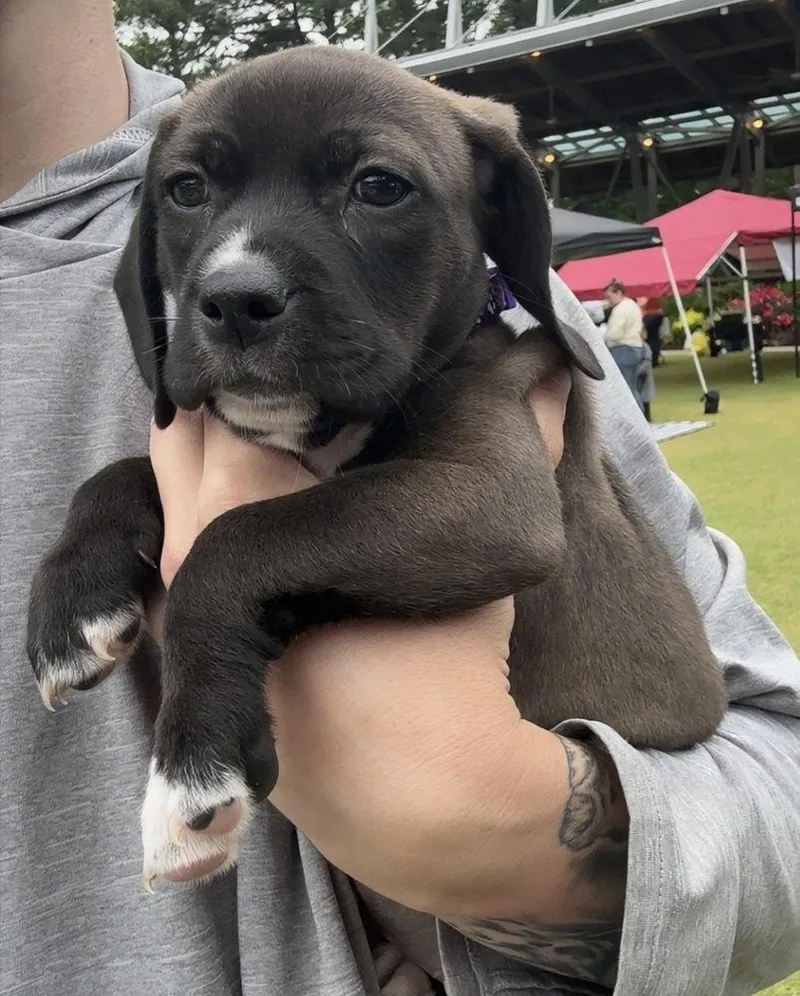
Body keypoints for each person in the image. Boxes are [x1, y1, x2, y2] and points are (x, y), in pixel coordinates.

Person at [2, 3, 799, 995]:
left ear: (497, 229)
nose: (237, 275)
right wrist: (118, 509)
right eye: (194, 193)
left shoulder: (504, 357)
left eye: (376, 187)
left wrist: (485, 830)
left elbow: (498, 516)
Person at [603, 279, 646, 412]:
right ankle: (640, 414)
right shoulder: (633, 305)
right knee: (632, 385)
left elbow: (614, 334)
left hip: (622, 349)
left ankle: (635, 416)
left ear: (619, 293)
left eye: (610, 297)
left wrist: (603, 337)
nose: (608, 301)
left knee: (625, 387)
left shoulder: (620, 310)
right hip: (636, 347)